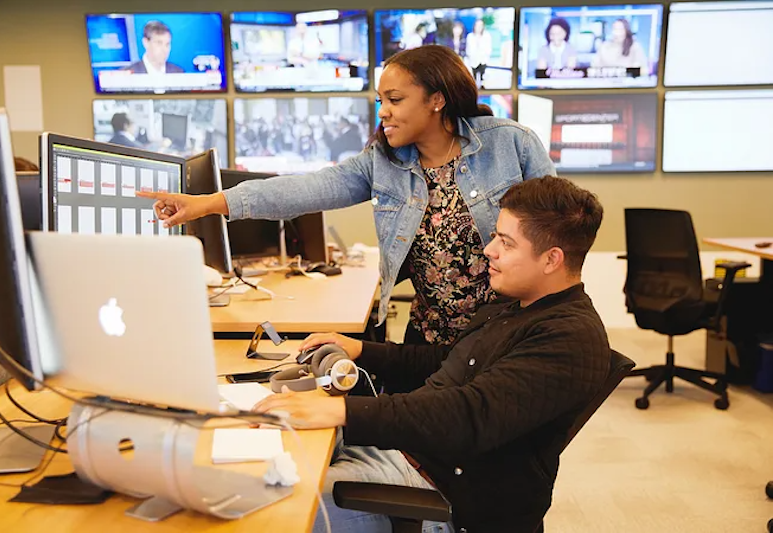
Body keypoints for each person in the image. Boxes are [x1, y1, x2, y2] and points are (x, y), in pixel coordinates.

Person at [253, 176, 611, 533]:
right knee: (248, 460)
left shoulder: (569, 337)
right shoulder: (516, 304)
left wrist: (342, 410)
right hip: (404, 451)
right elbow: (448, 361)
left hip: (438, 491)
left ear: (551, 259)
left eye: (506, 243)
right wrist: (362, 350)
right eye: (495, 237)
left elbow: (469, 415)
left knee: (261, 510)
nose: (489, 250)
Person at [138, 45, 556, 346]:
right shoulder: (383, 161)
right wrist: (211, 202)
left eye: (394, 100)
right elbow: (309, 188)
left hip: (508, 331)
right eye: (380, 101)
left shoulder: (510, 144)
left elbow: (558, 228)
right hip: (430, 336)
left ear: (436, 99)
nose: (382, 111)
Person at [465, 19, 492, 87]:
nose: (479, 27)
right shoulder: (470, 36)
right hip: (473, 61)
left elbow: (488, 49)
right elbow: (469, 50)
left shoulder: (487, 36)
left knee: (483, 81)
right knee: (473, 81)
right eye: (477, 25)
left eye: (480, 25)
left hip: (483, 61)